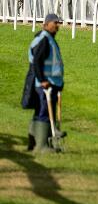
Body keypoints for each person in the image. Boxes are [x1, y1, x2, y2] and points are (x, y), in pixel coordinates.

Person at [24, 13, 65, 153]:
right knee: (44, 112)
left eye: (58, 24)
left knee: (41, 112)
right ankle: (41, 146)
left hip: (50, 82)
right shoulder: (44, 40)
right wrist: (42, 80)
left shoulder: (48, 39)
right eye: (55, 23)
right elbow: (36, 62)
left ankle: (34, 143)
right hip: (45, 83)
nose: (57, 26)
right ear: (46, 24)